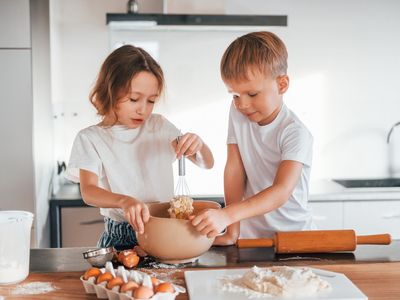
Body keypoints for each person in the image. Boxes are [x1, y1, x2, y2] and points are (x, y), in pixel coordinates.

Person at [65, 45, 214, 249]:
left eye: (151, 101)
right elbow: (89, 191)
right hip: (121, 237)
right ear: (110, 90)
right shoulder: (91, 138)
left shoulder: (159, 126)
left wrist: (199, 145)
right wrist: (124, 201)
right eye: (134, 99)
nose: (143, 109)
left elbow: (207, 163)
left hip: (164, 231)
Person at [190, 31, 314, 244]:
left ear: (282, 85)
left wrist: (226, 215)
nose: (243, 104)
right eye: (235, 95)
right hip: (251, 238)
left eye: (252, 94)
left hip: (295, 238)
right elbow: (235, 170)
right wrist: (232, 231)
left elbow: (281, 191)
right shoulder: (238, 112)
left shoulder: (295, 132)